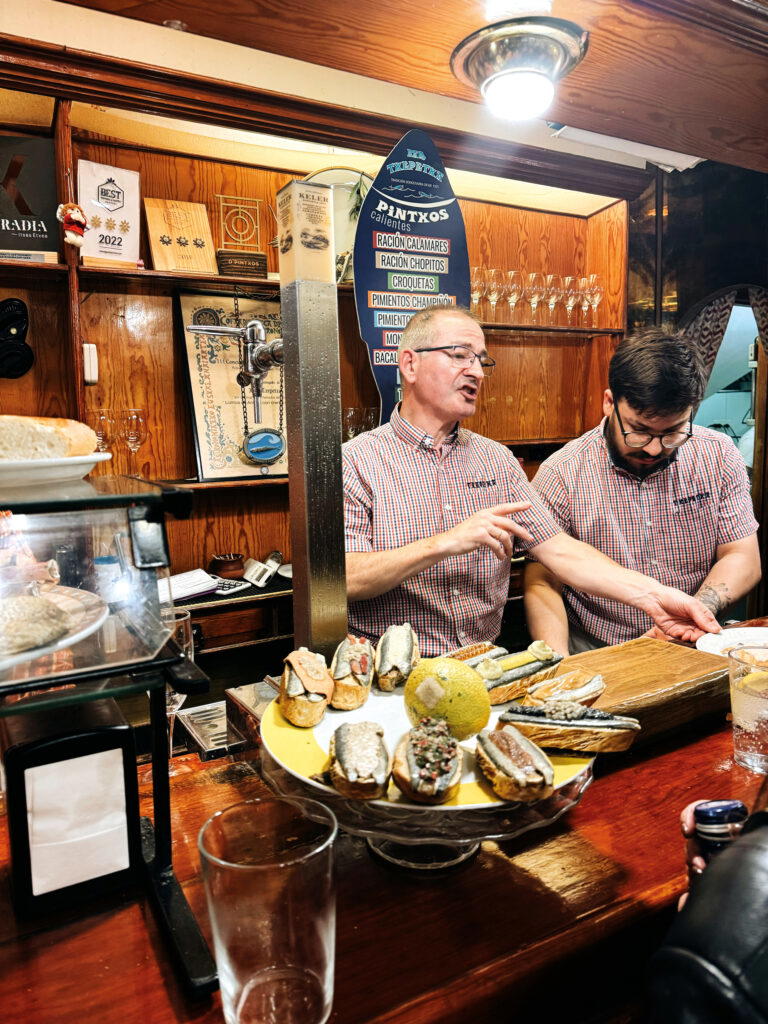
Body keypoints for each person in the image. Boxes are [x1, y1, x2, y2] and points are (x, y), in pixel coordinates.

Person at [343, 305, 720, 656]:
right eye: (460, 355)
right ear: (410, 364)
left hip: (485, 665)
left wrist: (656, 597)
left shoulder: (497, 461)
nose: (476, 372)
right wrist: (443, 544)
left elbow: (560, 551)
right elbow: (345, 579)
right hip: (391, 673)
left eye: (481, 360)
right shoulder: (356, 462)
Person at [524, 329, 760, 654]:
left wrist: (696, 611)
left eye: (673, 432)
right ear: (609, 403)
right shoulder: (562, 472)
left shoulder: (718, 454)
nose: (653, 449)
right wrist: (559, 662)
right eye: (639, 430)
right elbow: (542, 577)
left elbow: (742, 555)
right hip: (598, 649)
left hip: (694, 641)